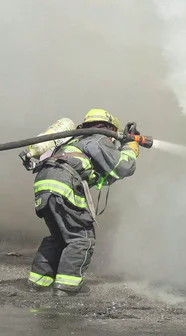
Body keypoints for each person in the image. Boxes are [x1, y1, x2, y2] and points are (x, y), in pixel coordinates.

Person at [27, 108, 139, 295]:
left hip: (44, 184)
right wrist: (130, 149)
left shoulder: (75, 139)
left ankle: (38, 283)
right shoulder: (98, 139)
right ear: (110, 128)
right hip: (64, 185)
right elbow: (122, 167)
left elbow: (105, 174)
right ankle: (67, 287)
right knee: (81, 239)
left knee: (59, 237)